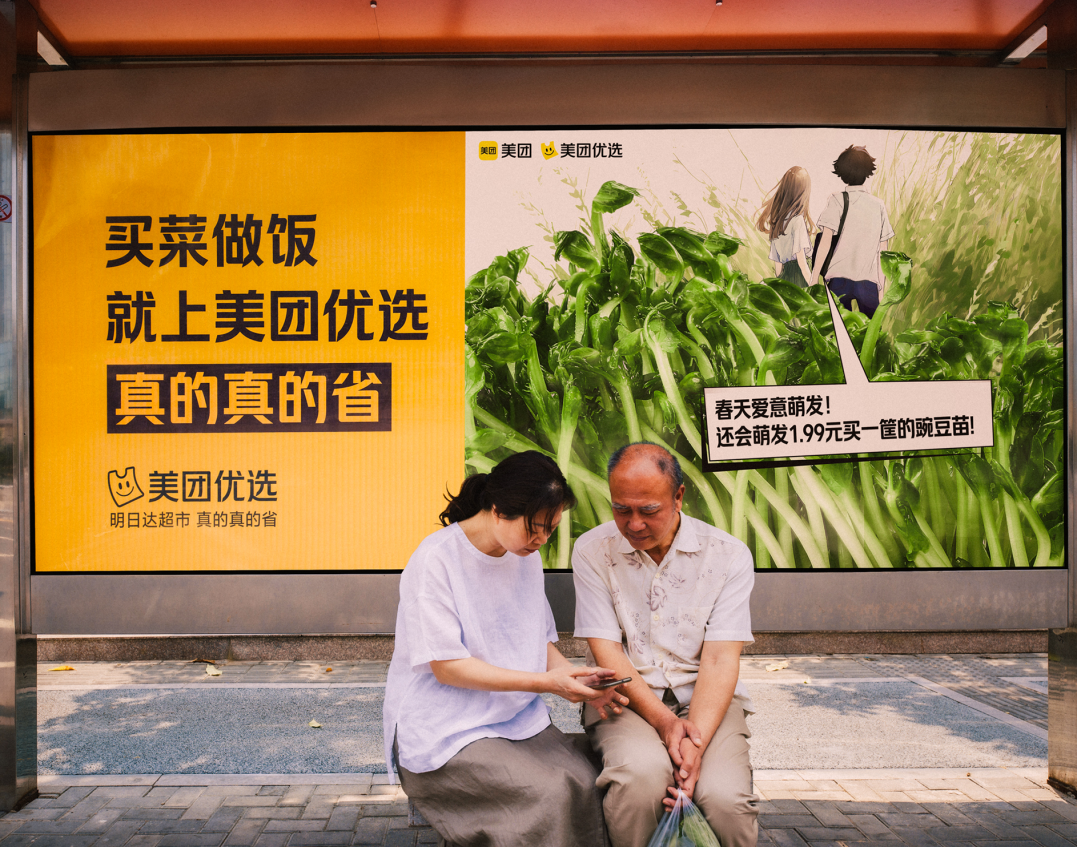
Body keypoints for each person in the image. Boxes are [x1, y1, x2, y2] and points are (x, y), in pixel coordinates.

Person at [383, 450, 628, 847]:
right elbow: (448, 668)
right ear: (497, 510)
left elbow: (538, 639)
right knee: (549, 792)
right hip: (444, 730)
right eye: (535, 528)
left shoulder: (523, 555)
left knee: (583, 782)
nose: (542, 540)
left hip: (513, 715)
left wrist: (573, 677)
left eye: (551, 529)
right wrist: (547, 684)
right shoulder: (435, 560)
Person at [572, 442, 758, 847]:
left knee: (725, 799)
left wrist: (695, 742)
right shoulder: (591, 551)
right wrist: (667, 723)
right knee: (639, 780)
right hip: (624, 698)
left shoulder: (728, 555)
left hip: (707, 701)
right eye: (621, 509)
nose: (634, 523)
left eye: (648, 510)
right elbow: (608, 652)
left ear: (678, 496)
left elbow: (720, 660)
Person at [809, 145, 895, 318]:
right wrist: (881, 287)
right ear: (867, 171)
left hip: (838, 279)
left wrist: (814, 276)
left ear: (842, 172)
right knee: (870, 338)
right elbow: (882, 251)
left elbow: (825, 242)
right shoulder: (878, 205)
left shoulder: (836, 200)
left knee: (837, 335)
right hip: (869, 282)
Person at [756, 165, 814, 288]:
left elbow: (778, 266)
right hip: (799, 279)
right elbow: (802, 263)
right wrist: (814, 287)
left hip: (784, 279)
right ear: (803, 193)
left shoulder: (776, 221)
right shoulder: (797, 221)